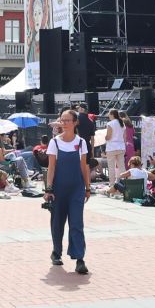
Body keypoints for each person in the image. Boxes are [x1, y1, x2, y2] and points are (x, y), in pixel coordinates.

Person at [45, 109, 90, 276]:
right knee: (57, 223)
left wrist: (87, 187)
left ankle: (80, 259)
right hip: (58, 189)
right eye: (62, 120)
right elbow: (51, 168)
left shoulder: (82, 142)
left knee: (76, 223)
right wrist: (48, 189)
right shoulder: (54, 143)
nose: (63, 123)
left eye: (67, 120)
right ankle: (56, 253)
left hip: (76, 189)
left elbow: (84, 167)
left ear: (75, 122)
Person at [102, 110, 128, 186]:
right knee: (122, 167)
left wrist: (105, 137)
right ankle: (124, 183)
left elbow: (108, 137)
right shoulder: (122, 123)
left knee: (111, 167)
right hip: (121, 147)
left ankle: (112, 184)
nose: (108, 115)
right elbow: (125, 137)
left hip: (111, 148)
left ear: (112, 115)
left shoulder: (110, 123)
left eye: (109, 114)